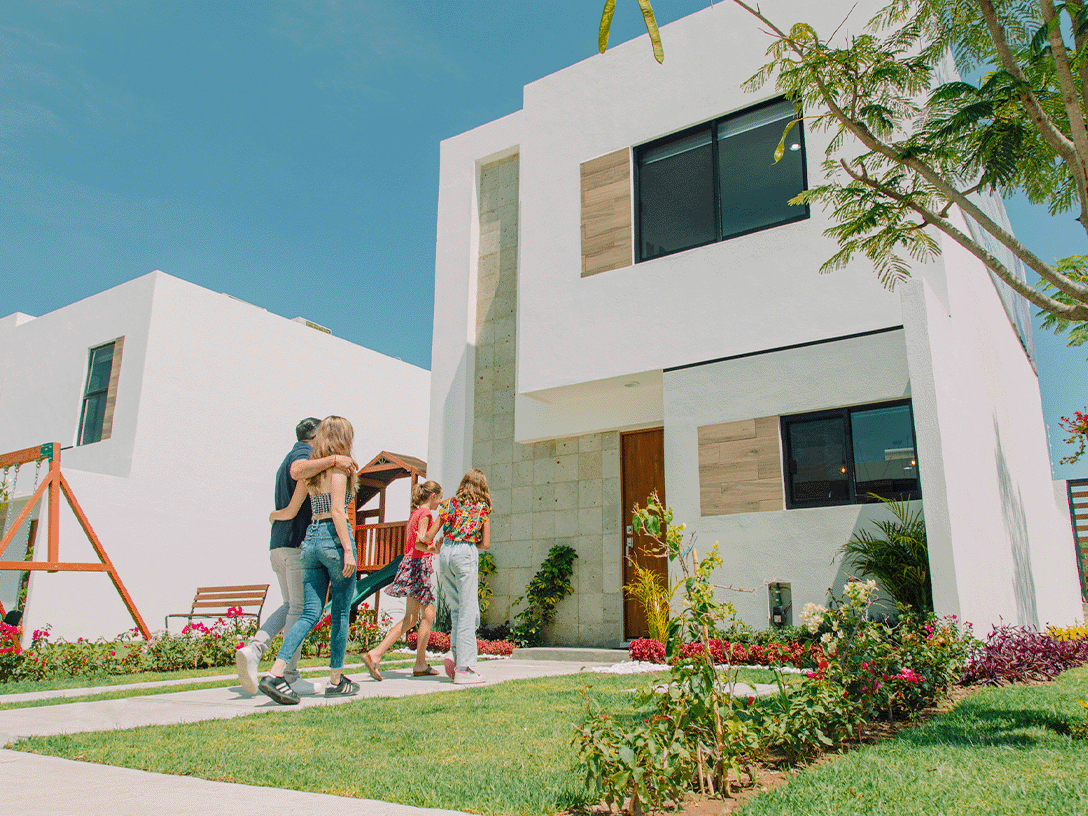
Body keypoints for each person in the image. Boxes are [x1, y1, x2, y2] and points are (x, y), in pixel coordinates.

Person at [235, 418, 355, 696]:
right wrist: (348, 549)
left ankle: (275, 673)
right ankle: (336, 681)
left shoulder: (311, 473)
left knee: (306, 612)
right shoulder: (338, 467)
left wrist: (272, 517)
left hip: (310, 540)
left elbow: (290, 509)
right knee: (339, 613)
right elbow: (338, 511)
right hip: (333, 538)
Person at [363, 480, 443, 681]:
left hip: (411, 564)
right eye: (439, 498)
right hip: (418, 567)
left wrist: (435, 548)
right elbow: (420, 542)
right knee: (429, 614)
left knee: (411, 618)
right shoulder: (426, 514)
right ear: (432, 496)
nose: (440, 503)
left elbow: (417, 543)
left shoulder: (415, 513)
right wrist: (438, 533)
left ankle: (378, 654)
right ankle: (417, 663)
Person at [418, 469, 491, 685]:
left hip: (446, 553)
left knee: (457, 611)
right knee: (469, 612)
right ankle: (465, 669)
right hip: (465, 554)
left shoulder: (449, 504)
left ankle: (454, 654)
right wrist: (468, 545)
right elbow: (485, 544)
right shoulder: (482, 509)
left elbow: (429, 536)